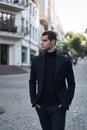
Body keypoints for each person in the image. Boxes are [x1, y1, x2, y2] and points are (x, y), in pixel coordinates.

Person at [29, 30, 75, 130]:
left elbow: (71, 83)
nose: (42, 43)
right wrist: (34, 101)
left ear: (53, 42)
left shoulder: (65, 61)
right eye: (41, 40)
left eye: (45, 40)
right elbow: (32, 82)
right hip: (41, 106)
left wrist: (66, 102)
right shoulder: (36, 60)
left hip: (58, 107)